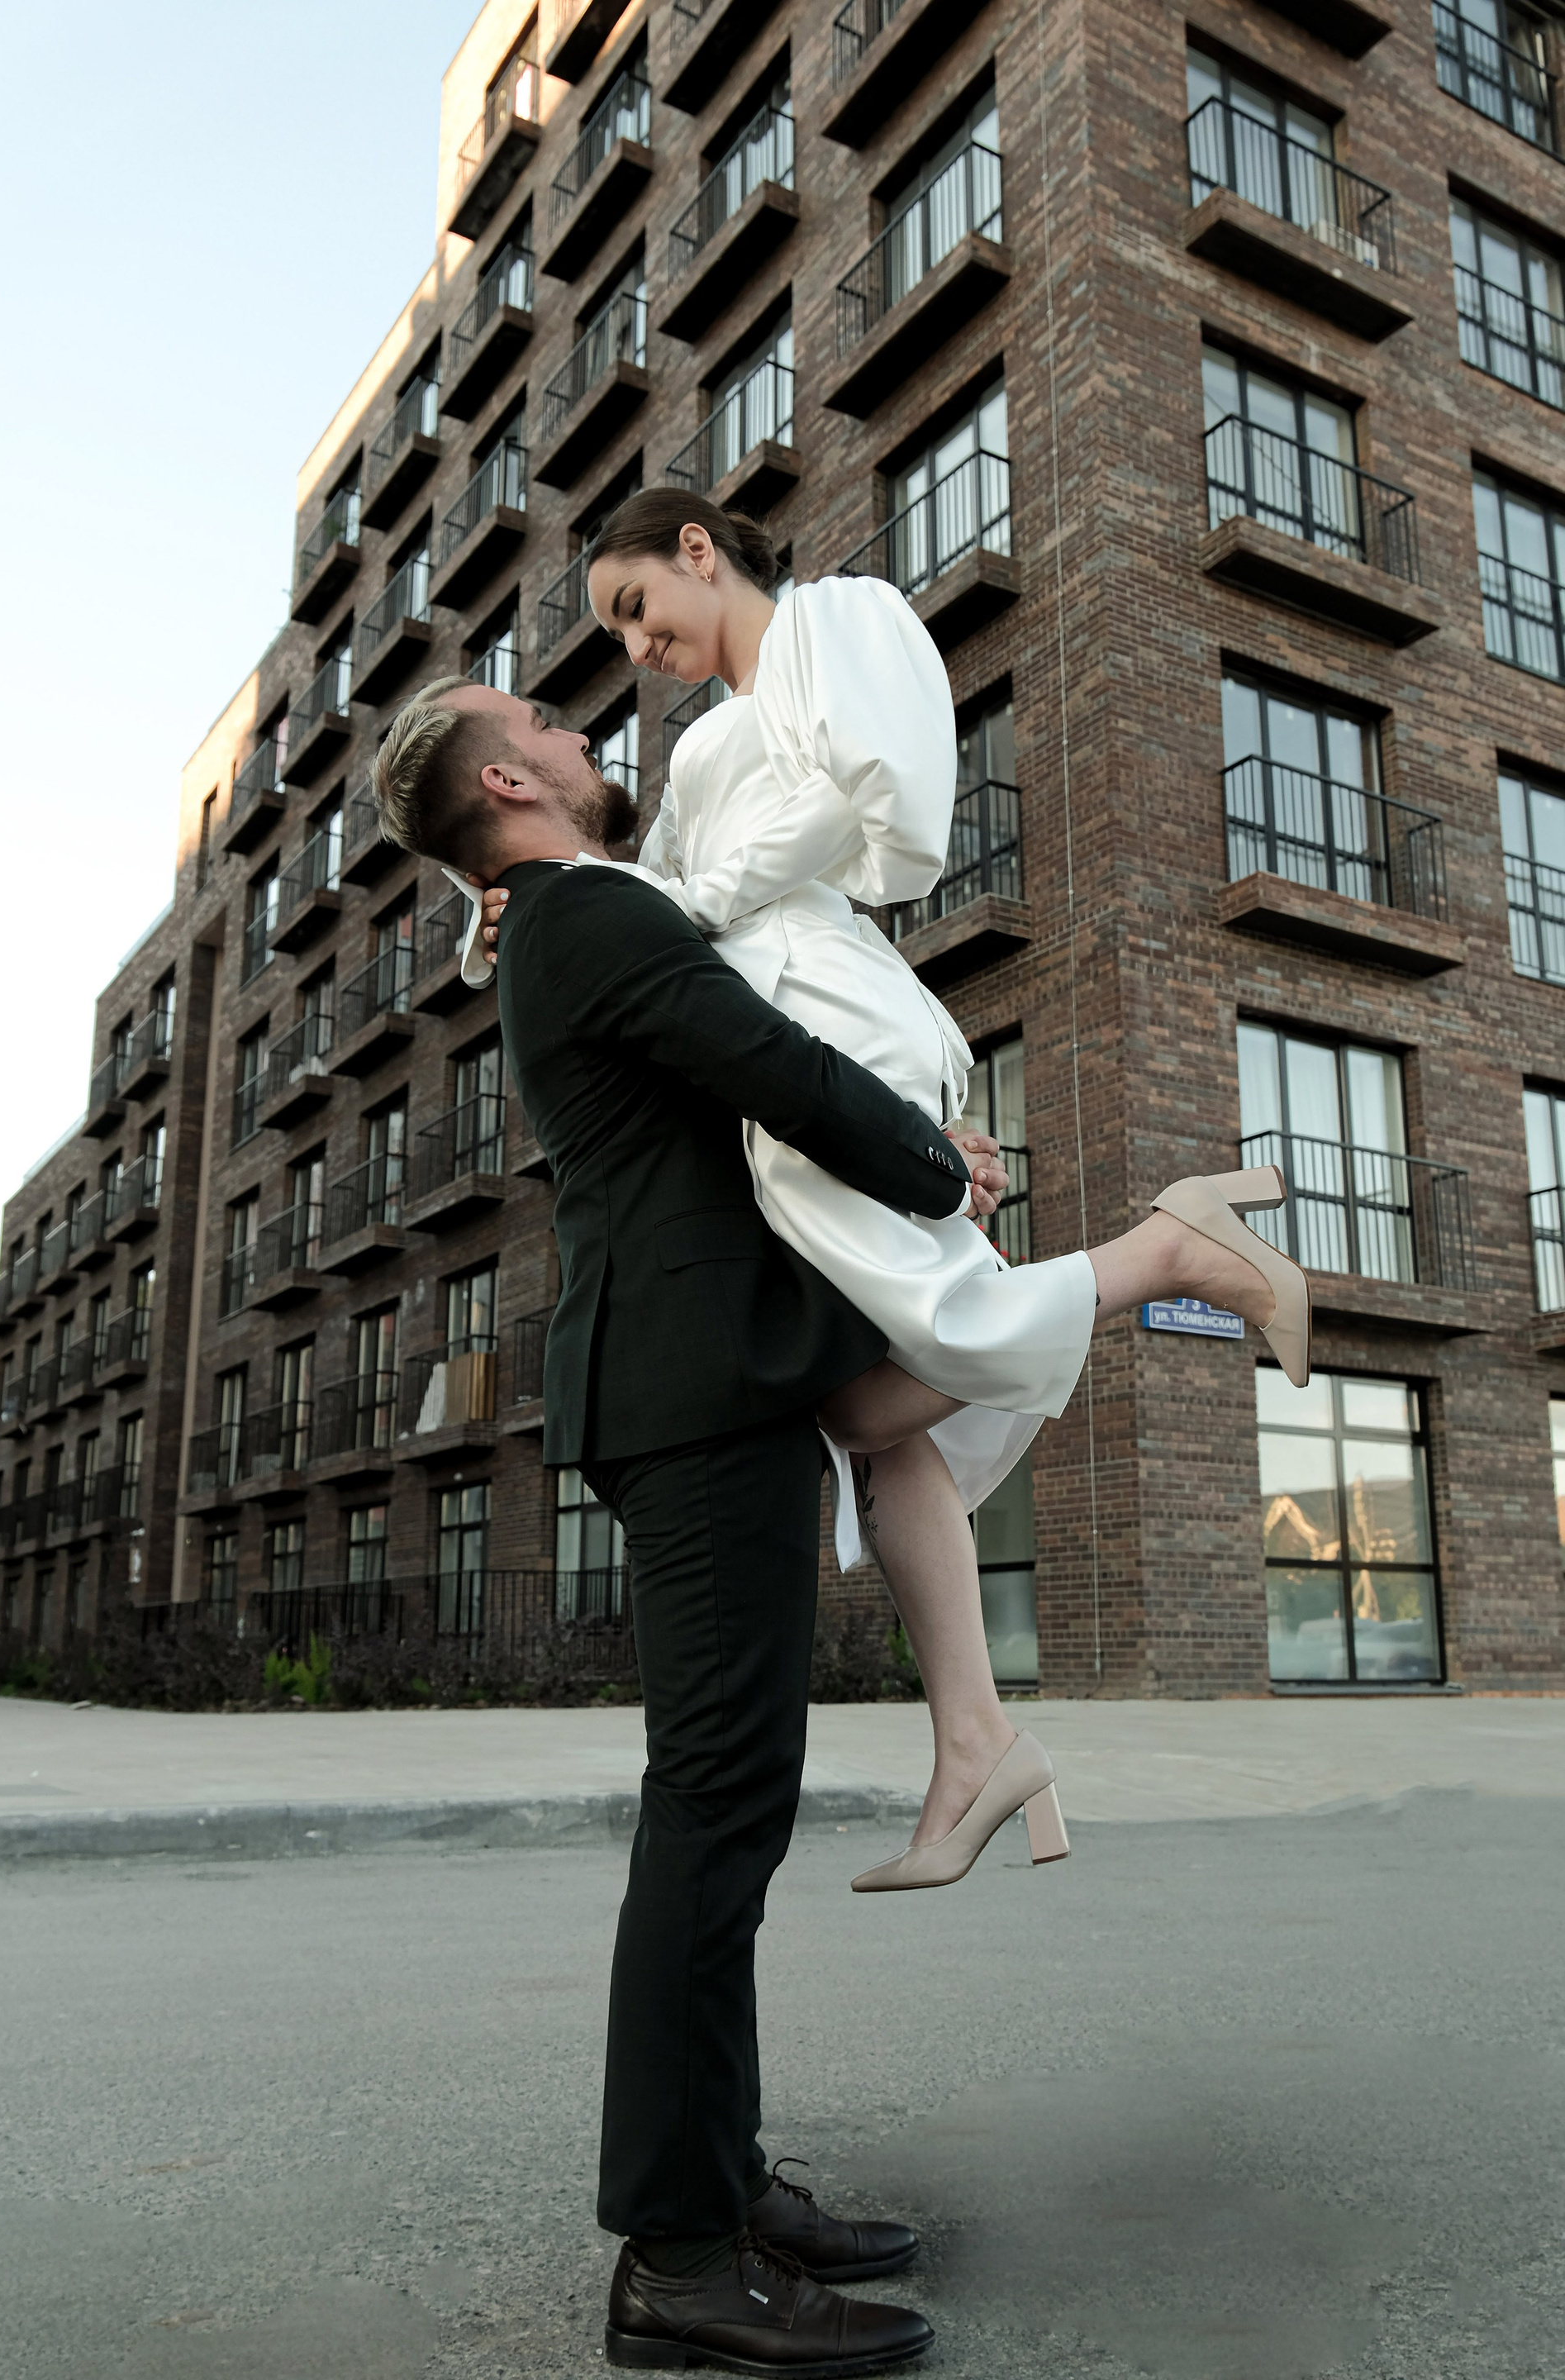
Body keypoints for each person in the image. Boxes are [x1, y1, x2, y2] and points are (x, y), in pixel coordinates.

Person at [370, 673, 1306, 2368]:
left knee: (726, 1806)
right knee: (714, 1813)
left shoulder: (564, 918)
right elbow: (774, 1067)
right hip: (691, 1396)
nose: (583, 737)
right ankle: (678, 2255)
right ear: (507, 783)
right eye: (550, 729)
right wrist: (943, 1167)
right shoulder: (581, 914)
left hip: (698, 1384)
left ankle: (718, 2184)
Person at [464, 491, 1311, 1888]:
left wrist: (687, 904)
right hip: (784, 1036)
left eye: (636, 606)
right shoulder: (705, 749)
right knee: (862, 1410)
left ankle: (1172, 1249)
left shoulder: (842, 621)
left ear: (698, 550)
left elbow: (892, 824)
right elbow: (634, 901)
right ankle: (976, 1741)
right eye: (616, 631)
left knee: (886, 1375)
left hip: (821, 1018)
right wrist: (513, 901)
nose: (636, 647)